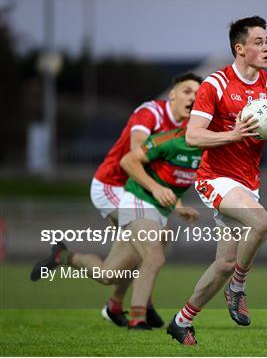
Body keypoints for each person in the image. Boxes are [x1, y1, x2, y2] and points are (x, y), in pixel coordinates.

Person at [30, 72, 202, 328]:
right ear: (172, 94)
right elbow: (134, 157)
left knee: (112, 271)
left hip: (142, 192)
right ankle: (140, 311)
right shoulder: (151, 114)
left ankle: (70, 263)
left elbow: (168, 174)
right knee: (151, 246)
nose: (193, 98)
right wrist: (161, 193)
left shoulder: (187, 130)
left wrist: (174, 202)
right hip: (113, 186)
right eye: (187, 91)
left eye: (198, 95)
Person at [166, 16, 267, 346]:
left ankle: (181, 321)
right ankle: (238, 287)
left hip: (247, 183)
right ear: (240, 49)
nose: (266, 48)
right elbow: (193, 136)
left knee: (223, 263)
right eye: (258, 42)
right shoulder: (216, 84)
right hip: (215, 178)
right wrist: (232, 133)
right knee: (262, 223)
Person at [117, 127, 201, 329]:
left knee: (107, 274)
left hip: (160, 211)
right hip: (138, 199)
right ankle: (138, 318)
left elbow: (172, 182)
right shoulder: (169, 139)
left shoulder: (210, 149)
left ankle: (63, 256)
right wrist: (156, 189)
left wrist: (178, 207)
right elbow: (127, 161)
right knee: (155, 255)